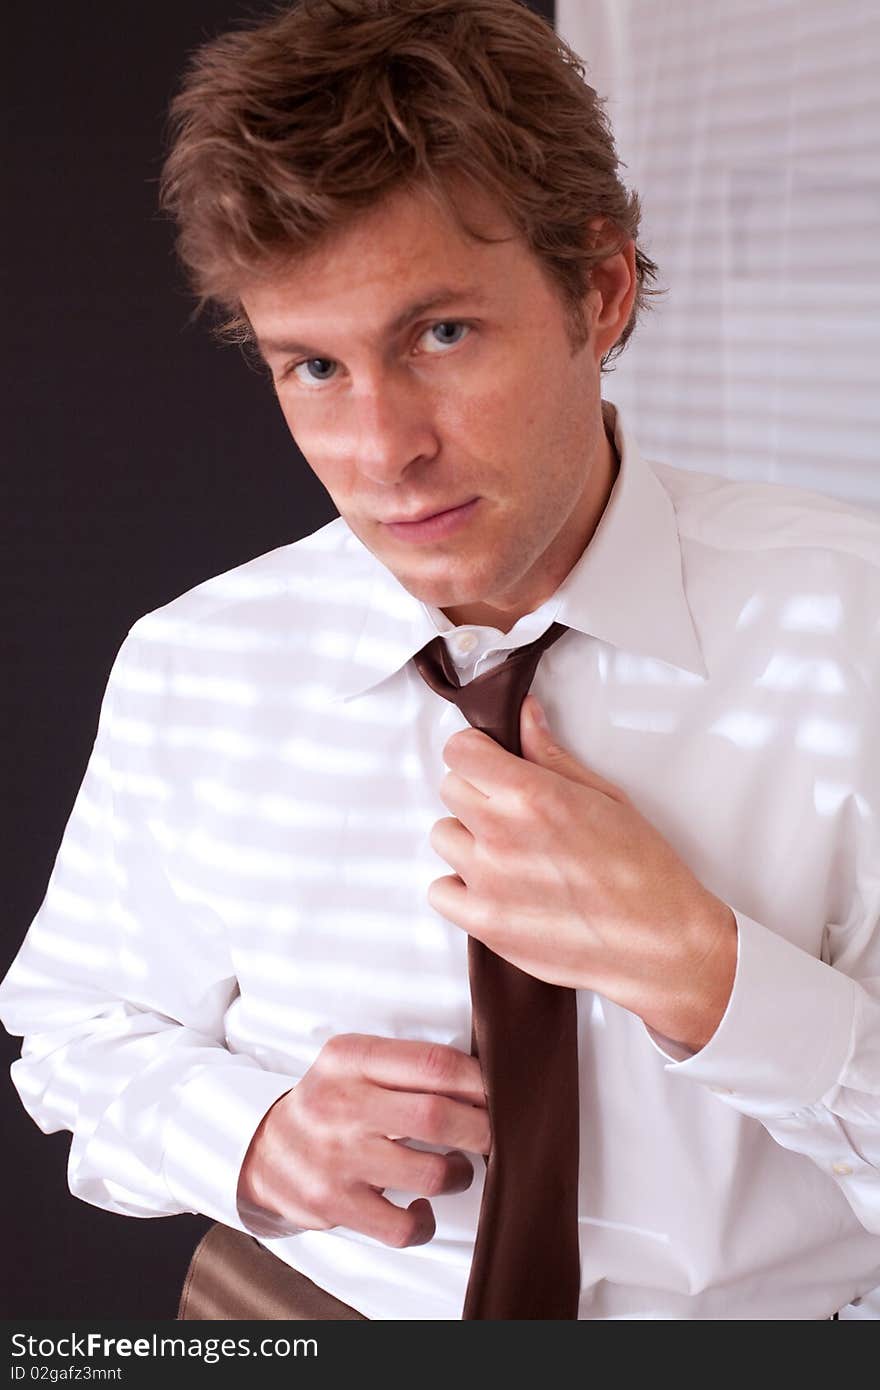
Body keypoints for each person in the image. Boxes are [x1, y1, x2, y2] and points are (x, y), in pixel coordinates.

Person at [1, 0, 879, 1321]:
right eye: (311, 365)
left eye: (441, 335)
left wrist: (715, 976)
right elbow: (72, 1028)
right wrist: (252, 1138)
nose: (381, 448)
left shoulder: (850, 626)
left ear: (601, 287)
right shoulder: (198, 665)